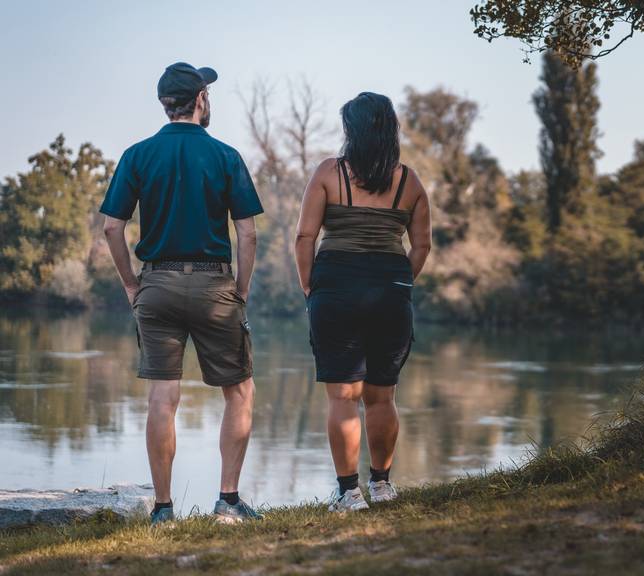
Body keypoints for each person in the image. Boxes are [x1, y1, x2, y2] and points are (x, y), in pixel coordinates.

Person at [100, 62, 265, 525]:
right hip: (215, 285)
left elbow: (113, 227)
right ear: (200, 100)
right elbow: (247, 235)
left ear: (163, 104)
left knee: (162, 398)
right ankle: (228, 503)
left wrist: (132, 285)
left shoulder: (136, 155)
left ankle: (163, 509)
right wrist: (241, 292)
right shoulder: (226, 155)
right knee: (239, 391)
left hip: (157, 284)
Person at [294, 92, 432, 512]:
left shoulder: (327, 174)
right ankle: (383, 485)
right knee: (382, 395)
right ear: (389, 129)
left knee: (342, 397)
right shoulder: (410, 182)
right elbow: (421, 246)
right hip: (391, 288)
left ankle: (349, 492)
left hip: (336, 286)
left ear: (350, 130)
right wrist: (399, 283)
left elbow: (304, 237)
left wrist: (309, 285)